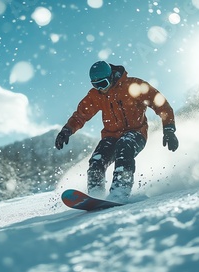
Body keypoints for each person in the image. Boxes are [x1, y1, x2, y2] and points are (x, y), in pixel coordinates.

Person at [55, 61, 179, 203]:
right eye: (96, 85)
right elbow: (80, 115)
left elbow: (161, 104)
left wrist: (169, 129)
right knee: (97, 159)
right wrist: (67, 130)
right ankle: (96, 193)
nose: (101, 89)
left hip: (136, 133)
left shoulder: (133, 86)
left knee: (124, 147)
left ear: (111, 77)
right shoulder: (96, 95)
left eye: (103, 83)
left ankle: (120, 190)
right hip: (111, 136)